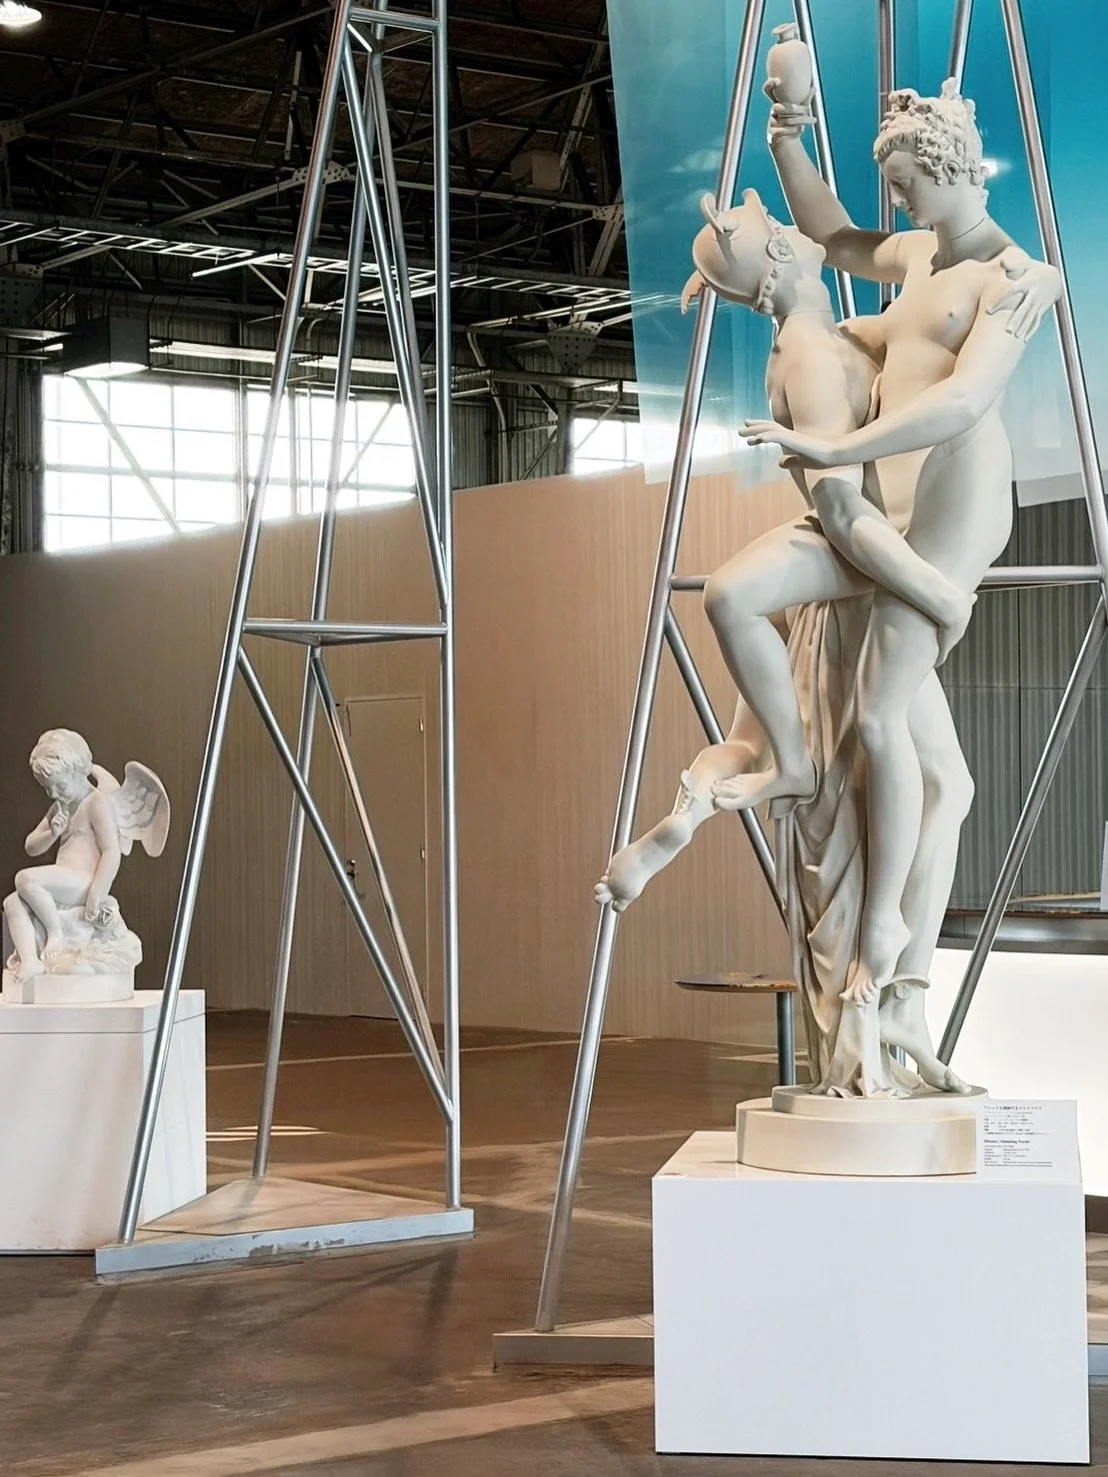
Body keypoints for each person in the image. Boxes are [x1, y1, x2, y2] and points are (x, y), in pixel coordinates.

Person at [724, 78, 1059, 1015]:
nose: (900, 202)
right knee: (939, 774)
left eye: (909, 183)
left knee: (877, 718)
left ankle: (883, 936)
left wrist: (839, 448)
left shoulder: (1018, 278)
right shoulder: (919, 255)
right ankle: (905, 992)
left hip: (956, 493)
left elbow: (962, 399)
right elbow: (833, 235)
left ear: (952, 167)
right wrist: (786, 139)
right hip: (896, 504)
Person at [4, 729, 121, 981]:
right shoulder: (61, 805)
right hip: (62, 882)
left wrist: (97, 892)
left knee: (24, 879)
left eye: (61, 786)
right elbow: (31, 846)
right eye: (48, 789)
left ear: (79, 772)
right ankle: (30, 961)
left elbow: (111, 851)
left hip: (82, 881)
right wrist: (51, 833)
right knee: (12, 902)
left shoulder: (96, 803)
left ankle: (55, 932)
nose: (55, 793)